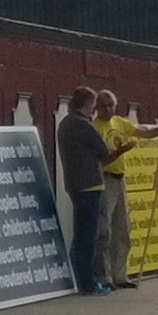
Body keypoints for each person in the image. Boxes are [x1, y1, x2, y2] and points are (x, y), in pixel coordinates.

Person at [93, 91, 158, 289]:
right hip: (105, 178)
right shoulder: (95, 127)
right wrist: (120, 152)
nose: (108, 110)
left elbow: (142, 132)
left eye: (111, 105)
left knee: (123, 228)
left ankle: (120, 274)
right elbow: (101, 159)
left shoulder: (119, 123)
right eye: (104, 106)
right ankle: (105, 276)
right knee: (105, 230)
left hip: (120, 179)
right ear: (96, 107)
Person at [55, 88, 110, 294]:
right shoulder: (83, 124)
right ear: (87, 104)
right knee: (89, 234)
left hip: (73, 183)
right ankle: (88, 282)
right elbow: (104, 150)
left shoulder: (65, 123)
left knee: (80, 232)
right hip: (90, 183)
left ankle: (77, 277)